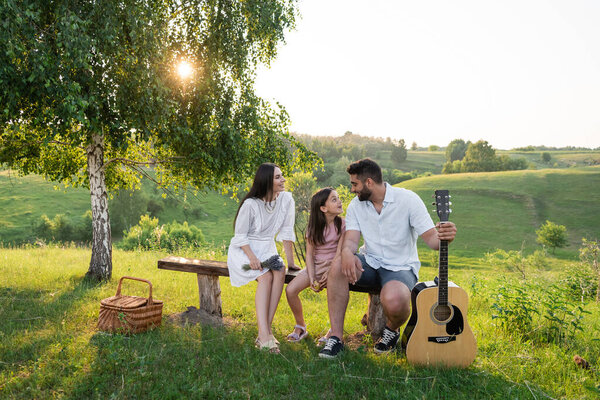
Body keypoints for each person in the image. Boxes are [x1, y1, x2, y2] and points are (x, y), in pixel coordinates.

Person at [318, 158, 457, 359]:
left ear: (368, 183)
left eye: (354, 184)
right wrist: (347, 253)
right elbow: (351, 240)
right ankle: (336, 338)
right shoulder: (357, 206)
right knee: (339, 264)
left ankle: (391, 330)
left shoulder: (408, 200)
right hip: (370, 262)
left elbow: (433, 242)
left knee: (395, 300)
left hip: (400, 268)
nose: (352, 190)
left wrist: (447, 236)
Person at [227, 163, 299, 354]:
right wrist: (251, 258)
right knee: (266, 277)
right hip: (245, 250)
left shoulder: (286, 200)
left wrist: (290, 262)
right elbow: (240, 236)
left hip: (267, 248)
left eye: (282, 176)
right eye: (278, 177)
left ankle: (264, 331)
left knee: (280, 269)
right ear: (266, 181)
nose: (283, 180)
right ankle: (265, 334)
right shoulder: (250, 204)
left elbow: (286, 231)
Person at [285, 188, 346, 343]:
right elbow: (310, 255)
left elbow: (340, 253)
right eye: (334, 199)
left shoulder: (343, 225)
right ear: (323, 208)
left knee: (333, 296)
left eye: (338, 198)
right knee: (290, 290)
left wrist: (331, 272)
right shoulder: (313, 227)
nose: (339, 201)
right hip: (315, 267)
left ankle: (334, 330)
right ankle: (300, 326)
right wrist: (312, 277)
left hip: (335, 267)